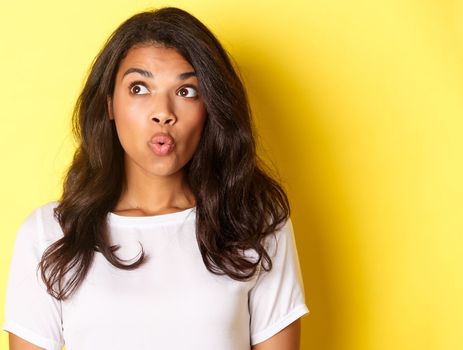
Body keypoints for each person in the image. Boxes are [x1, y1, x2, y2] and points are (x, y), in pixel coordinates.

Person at [2, 7, 309, 350]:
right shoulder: (49, 234)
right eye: (139, 88)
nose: (163, 112)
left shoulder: (253, 221)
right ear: (109, 105)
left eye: (186, 91)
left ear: (210, 108)